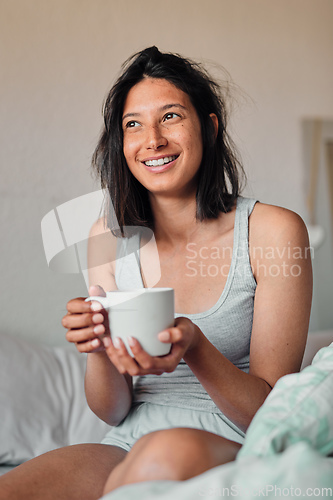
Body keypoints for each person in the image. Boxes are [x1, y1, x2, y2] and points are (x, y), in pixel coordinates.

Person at [0, 46, 312, 500]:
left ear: (209, 125)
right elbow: (111, 410)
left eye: (170, 117)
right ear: (120, 143)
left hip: (240, 442)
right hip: (129, 441)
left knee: (161, 457)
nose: (153, 139)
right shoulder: (107, 235)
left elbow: (270, 413)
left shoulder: (273, 231)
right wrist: (98, 345)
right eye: (133, 125)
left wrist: (194, 345)